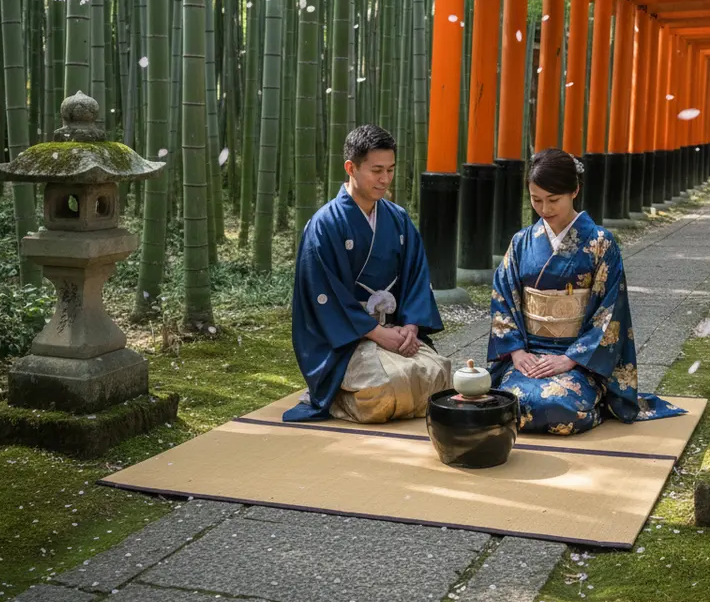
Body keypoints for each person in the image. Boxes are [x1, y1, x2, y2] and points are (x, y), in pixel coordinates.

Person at [487, 147, 684, 435]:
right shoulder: (521, 242)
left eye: (553, 200)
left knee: (556, 406)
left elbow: (610, 312)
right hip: (529, 355)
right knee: (507, 402)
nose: (544, 209)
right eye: (536, 199)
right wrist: (516, 353)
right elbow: (502, 297)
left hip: (578, 360)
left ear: (575, 191)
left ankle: (598, 402)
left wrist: (569, 359)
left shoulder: (600, 243)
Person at [284, 124, 450, 423]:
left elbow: (415, 276)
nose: (385, 179)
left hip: (396, 330)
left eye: (390, 169)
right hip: (346, 340)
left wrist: (410, 326)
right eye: (376, 170)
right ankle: (332, 394)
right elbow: (324, 296)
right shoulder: (325, 225)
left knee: (440, 376)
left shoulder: (397, 219)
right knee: (381, 389)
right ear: (351, 167)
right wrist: (376, 333)